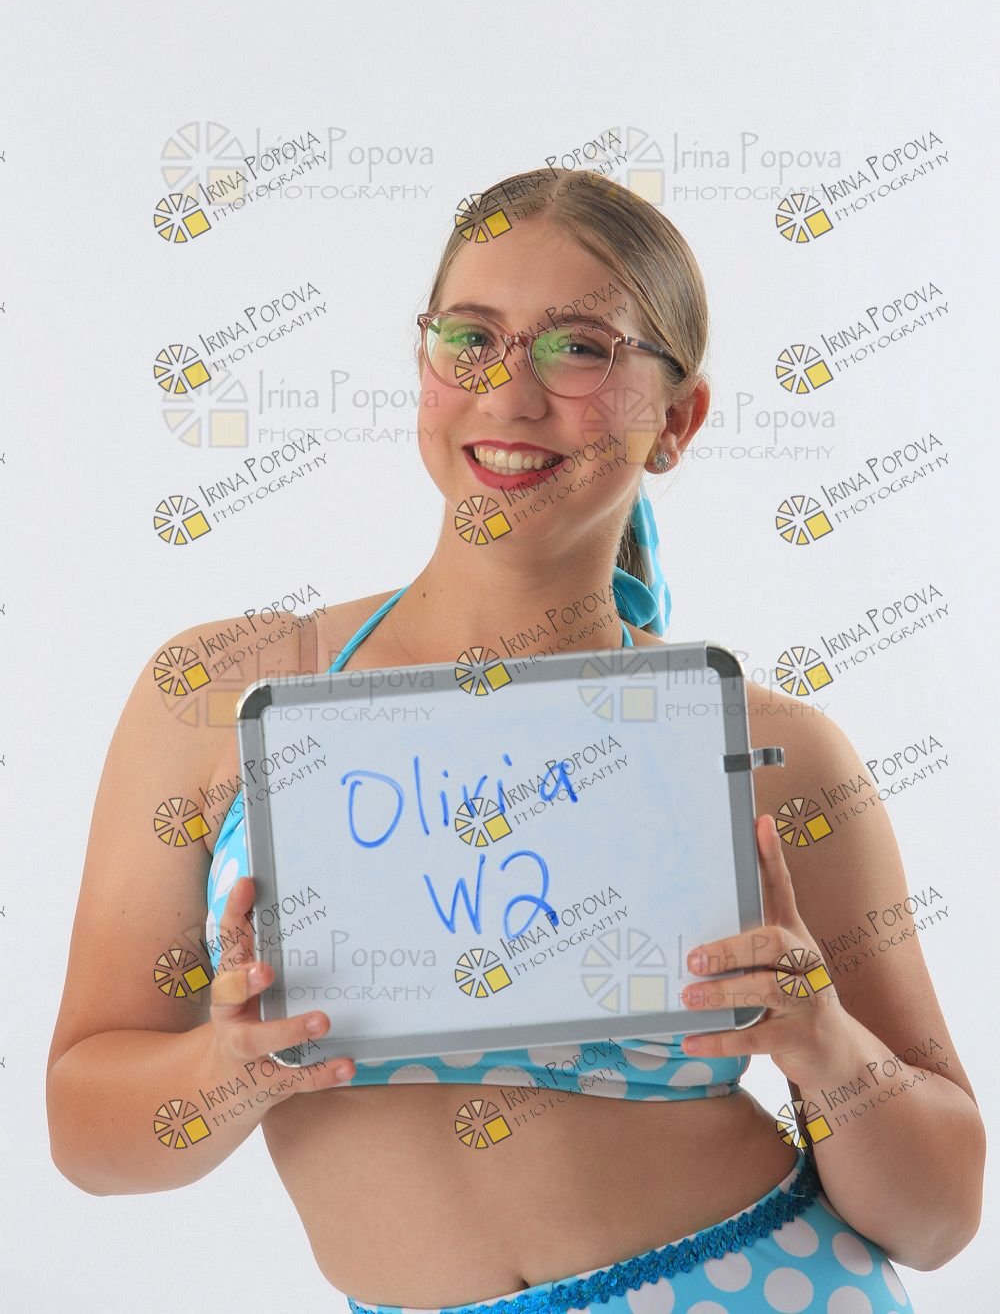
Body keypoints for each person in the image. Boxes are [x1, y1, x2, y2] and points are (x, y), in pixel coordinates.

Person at [48, 168, 984, 1313]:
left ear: (677, 421)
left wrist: (822, 1043)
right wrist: (227, 1067)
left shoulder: (769, 750)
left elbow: (938, 1218)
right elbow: (86, 1135)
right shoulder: (213, 697)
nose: (508, 392)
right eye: (471, 338)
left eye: (578, 349)